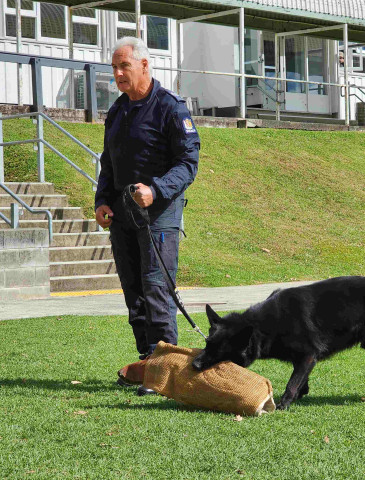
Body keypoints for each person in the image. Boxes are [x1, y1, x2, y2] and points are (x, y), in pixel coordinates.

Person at [94, 37, 200, 394]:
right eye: (114, 67)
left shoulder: (171, 108)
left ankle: (164, 370)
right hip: (122, 215)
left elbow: (188, 163)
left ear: (144, 65)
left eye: (124, 66)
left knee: (157, 289)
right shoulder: (117, 111)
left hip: (160, 216)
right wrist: (101, 201)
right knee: (134, 292)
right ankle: (147, 362)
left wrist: (156, 189)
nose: (118, 74)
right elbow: (108, 162)